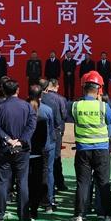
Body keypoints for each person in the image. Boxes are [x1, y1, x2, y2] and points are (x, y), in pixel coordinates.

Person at [70, 71, 111, 221]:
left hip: (83, 150)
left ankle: (79, 215)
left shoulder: (76, 106)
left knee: (83, 183)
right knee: (103, 183)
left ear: (83, 88)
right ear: (99, 89)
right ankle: (107, 215)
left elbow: (73, 118)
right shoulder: (103, 106)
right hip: (101, 149)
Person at [0, 80, 36, 221]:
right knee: (22, 181)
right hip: (21, 149)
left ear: (3, 91)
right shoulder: (27, 107)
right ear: (17, 90)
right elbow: (31, 125)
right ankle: (23, 214)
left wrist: (8, 139)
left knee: (3, 181)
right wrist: (21, 140)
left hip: (5, 147)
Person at [26, 85, 56, 219]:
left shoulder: (24, 108)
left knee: (26, 178)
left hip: (27, 148)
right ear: (41, 95)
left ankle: (26, 204)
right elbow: (51, 129)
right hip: (43, 148)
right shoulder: (47, 110)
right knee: (45, 175)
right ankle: (47, 202)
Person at [38, 77, 67, 208]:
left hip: (37, 136)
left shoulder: (32, 101)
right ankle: (52, 192)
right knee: (53, 163)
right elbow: (62, 117)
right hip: (54, 133)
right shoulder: (59, 99)